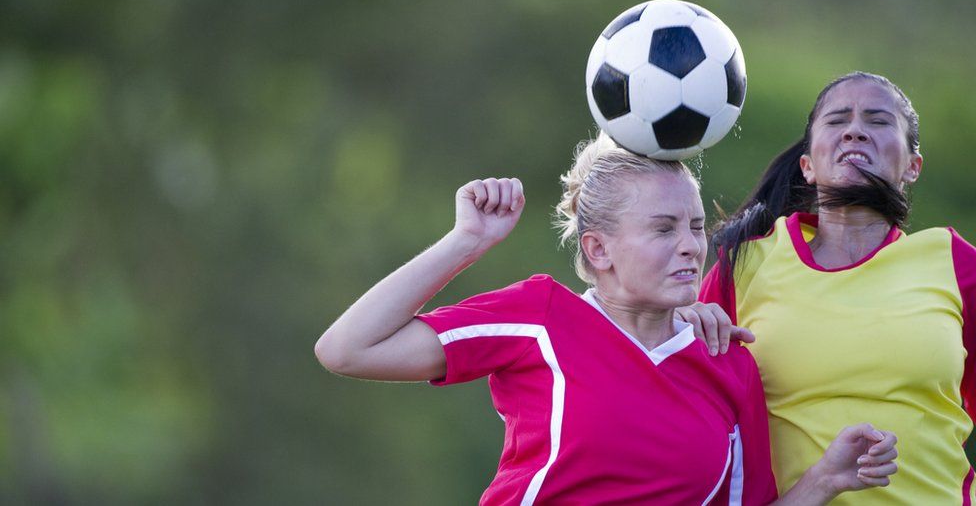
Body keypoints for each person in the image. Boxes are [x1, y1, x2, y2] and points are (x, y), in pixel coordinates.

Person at [315, 133, 898, 505]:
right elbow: (346, 348)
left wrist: (826, 479)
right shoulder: (541, 316)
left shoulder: (728, 363)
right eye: (663, 229)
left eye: (696, 227)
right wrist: (466, 241)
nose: (693, 246)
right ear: (598, 250)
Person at [684, 71, 975, 504]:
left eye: (878, 121)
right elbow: (683, 401)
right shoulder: (743, 266)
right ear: (808, 165)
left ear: (913, 166)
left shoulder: (957, 263)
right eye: (838, 120)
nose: (855, 130)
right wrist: (684, 322)